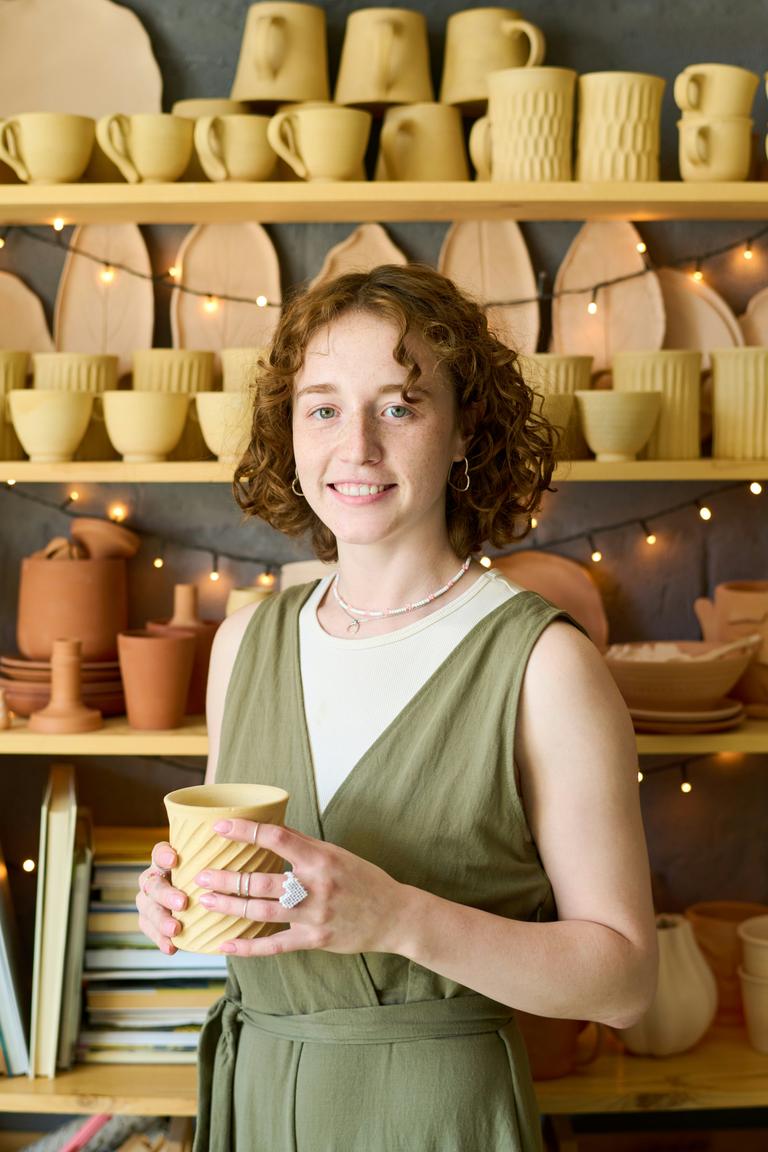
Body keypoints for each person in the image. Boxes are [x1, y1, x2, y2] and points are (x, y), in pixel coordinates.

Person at [137, 263, 657, 1152]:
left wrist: (400, 918)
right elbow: (262, 887)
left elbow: (624, 982)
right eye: (325, 407)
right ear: (289, 432)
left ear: (461, 432)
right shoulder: (242, 645)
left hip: (432, 1116)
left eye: (400, 406)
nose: (358, 448)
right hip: (256, 1096)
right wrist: (182, 898)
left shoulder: (545, 666)